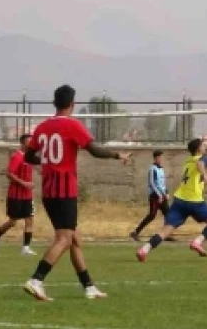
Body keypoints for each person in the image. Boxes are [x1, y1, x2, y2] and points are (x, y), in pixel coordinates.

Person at [21, 85, 131, 302]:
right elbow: (93, 149)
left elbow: (28, 156)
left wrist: (45, 161)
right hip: (64, 191)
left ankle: (89, 287)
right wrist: (117, 155)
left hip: (49, 190)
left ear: (55, 103)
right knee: (64, 238)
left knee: (74, 238)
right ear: (72, 104)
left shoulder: (42, 127)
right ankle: (36, 280)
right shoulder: (72, 125)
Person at [136, 138, 207, 262]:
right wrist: (206, 175)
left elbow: (198, 177)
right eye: (203, 145)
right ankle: (197, 242)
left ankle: (144, 250)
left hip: (179, 201)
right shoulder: (203, 158)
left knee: (166, 230)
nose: (204, 147)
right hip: (195, 201)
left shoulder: (188, 161)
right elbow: (201, 165)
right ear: (198, 149)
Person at [0, 134, 37, 256]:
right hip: (15, 195)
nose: (31, 144)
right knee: (12, 222)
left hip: (28, 196)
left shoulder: (30, 157)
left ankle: (25, 248)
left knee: (30, 220)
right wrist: (24, 183)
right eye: (29, 142)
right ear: (22, 143)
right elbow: (9, 174)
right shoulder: (17, 156)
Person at [130, 150, 169, 242]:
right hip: (154, 196)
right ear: (155, 158)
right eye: (159, 157)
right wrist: (159, 195)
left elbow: (162, 184)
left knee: (168, 214)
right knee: (151, 215)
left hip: (162, 196)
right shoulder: (153, 169)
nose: (161, 159)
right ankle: (135, 232)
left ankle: (166, 234)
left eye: (162, 157)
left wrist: (166, 193)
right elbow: (152, 183)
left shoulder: (161, 169)